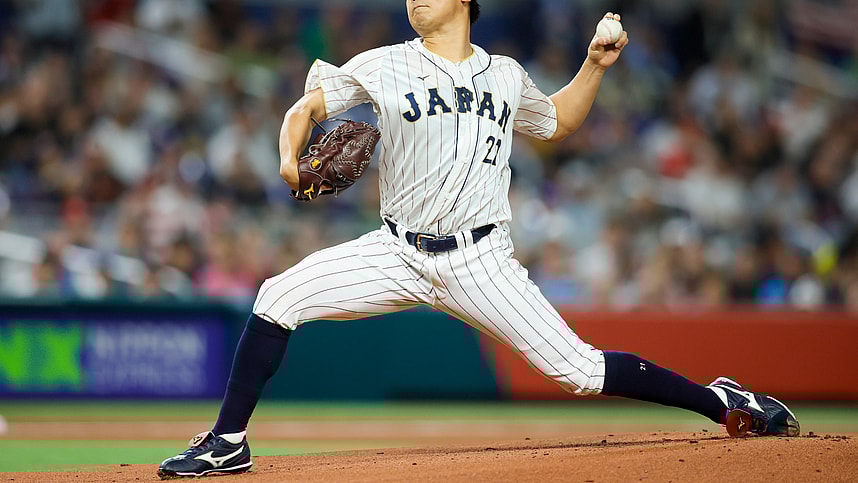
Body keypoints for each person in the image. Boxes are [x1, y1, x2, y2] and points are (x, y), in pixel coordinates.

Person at [158, 1, 799, 478]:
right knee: (278, 295)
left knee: (577, 369)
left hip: (480, 259)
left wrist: (594, 66)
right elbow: (305, 110)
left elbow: (555, 122)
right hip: (396, 251)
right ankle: (227, 440)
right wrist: (288, 160)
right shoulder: (382, 64)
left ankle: (721, 401)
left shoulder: (505, 75)